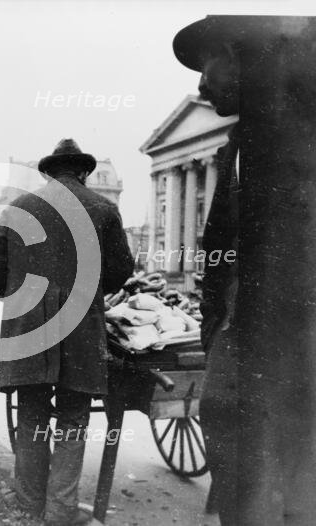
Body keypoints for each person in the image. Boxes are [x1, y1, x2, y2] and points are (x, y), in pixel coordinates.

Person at [173, 15, 316, 526]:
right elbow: (223, 248)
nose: (200, 82)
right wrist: (219, 329)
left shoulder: (289, 136)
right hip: (244, 344)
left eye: (206, 63)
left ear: (239, 57)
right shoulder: (242, 144)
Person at [0, 139, 134, 525]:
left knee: (32, 412)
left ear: (49, 172)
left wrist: (14, 291)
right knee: (74, 417)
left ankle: (29, 501)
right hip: (82, 326)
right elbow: (120, 271)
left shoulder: (21, 208)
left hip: (29, 325)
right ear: (83, 172)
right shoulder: (103, 209)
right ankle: (61, 511)